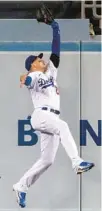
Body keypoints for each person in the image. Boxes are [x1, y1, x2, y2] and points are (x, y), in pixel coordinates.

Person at [13, 8, 94, 208]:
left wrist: (55, 26)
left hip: (49, 118)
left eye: (41, 58)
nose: (42, 60)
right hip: (41, 115)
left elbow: (56, 50)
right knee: (63, 127)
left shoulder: (50, 73)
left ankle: (21, 186)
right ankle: (76, 162)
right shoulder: (36, 76)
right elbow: (29, 79)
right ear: (32, 65)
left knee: (47, 160)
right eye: (38, 60)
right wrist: (25, 77)